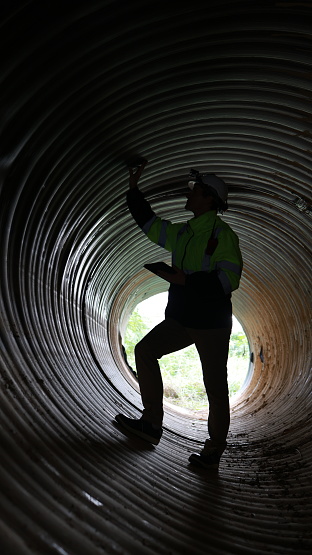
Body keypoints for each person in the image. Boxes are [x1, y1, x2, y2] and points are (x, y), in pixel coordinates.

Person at [116, 161, 243, 469]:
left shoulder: (222, 235)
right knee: (145, 350)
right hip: (183, 318)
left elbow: (230, 279)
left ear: (209, 199)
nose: (190, 193)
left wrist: (186, 280)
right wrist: (134, 192)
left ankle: (212, 453)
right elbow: (151, 225)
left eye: (196, 191)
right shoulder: (184, 232)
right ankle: (151, 424)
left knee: (215, 385)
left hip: (211, 322)